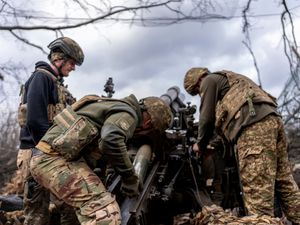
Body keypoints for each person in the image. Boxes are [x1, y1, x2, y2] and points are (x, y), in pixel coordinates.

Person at [29, 94, 172, 225]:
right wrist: (130, 178)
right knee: (105, 213)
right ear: (148, 123)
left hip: (52, 159)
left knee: (74, 216)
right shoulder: (129, 113)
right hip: (54, 161)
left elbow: (100, 151)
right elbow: (110, 139)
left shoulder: (112, 106)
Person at [183, 67, 300, 224]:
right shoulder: (232, 81)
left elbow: (206, 119)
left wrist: (200, 144)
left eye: (196, 91)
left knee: (257, 195)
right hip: (273, 122)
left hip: (253, 130)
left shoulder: (209, 80)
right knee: (285, 183)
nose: (200, 93)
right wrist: (214, 145)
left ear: (198, 81)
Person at [17, 36, 84, 225]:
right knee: (37, 214)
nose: (73, 67)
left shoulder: (55, 82)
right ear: (58, 59)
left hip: (48, 152)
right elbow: (35, 121)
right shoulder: (41, 78)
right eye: (71, 62)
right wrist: (55, 151)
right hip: (37, 152)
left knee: (67, 206)